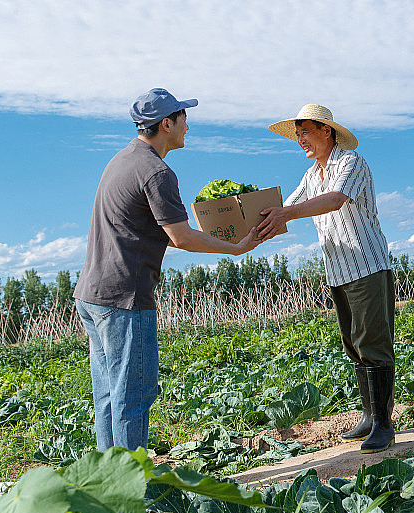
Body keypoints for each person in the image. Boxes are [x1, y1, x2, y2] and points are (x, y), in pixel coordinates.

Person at [74, 88, 260, 452]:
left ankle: (111, 483)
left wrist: (215, 238)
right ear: (166, 123)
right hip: (125, 298)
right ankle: (133, 487)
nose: (187, 125)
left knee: (109, 395)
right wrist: (236, 248)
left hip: (92, 295)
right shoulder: (157, 172)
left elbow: (165, 234)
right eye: (183, 118)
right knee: (133, 396)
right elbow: (182, 236)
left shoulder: (121, 160)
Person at [258, 104, 396, 453]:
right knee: (353, 343)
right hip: (338, 270)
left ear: (327, 132)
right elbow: (287, 210)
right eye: (297, 133)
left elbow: (334, 200)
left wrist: (285, 212)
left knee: (372, 343)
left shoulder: (351, 162)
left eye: (305, 131)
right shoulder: (311, 176)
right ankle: (368, 416)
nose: (300, 138)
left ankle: (383, 423)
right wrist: (247, 231)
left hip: (366, 265)